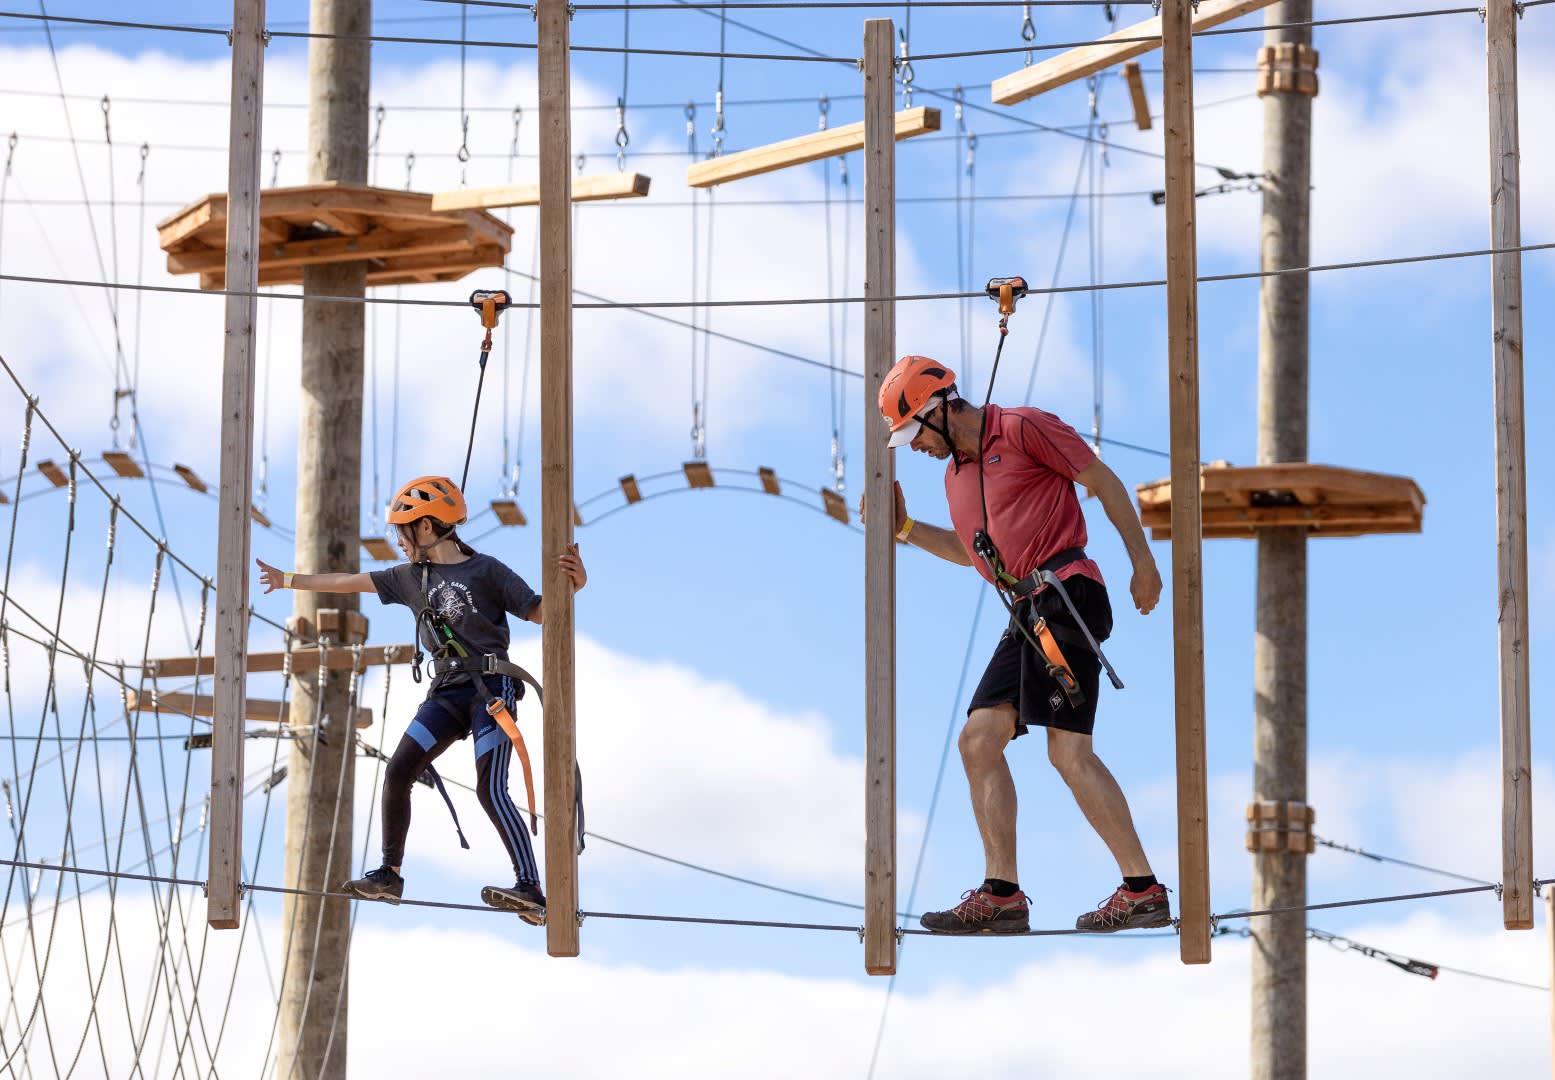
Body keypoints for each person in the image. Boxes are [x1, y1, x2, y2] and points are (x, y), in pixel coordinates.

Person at [870, 355, 1169, 934]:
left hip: (1068, 595)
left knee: (1067, 753)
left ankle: (1142, 890)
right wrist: (903, 531)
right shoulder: (955, 477)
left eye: (913, 435)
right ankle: (1002, 894)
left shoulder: (1025, 427)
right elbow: (973, 555)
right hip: (1025, 610)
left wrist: (1143, 561)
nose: (913, 448)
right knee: (978, 741)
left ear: (939, 409)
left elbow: (1101, 482)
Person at [256, 475, 586, 925]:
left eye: (402, 530)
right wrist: (289, 580)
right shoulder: (409, 578)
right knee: (399, 770)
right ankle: (390, 874)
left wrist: (574, 585)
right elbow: (349, 581)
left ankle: (529, 886)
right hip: (448, 692)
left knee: (491, 790)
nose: (398, 541)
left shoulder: (486, 570)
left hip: (491, 690)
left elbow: (541, 612)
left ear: (427, 527)